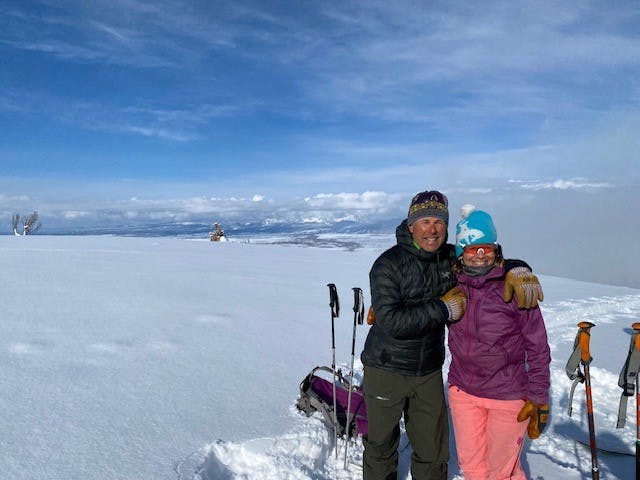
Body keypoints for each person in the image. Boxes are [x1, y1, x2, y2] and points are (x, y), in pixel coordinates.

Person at [361, 191, 543, 480]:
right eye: (424, 221)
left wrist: (517, 268)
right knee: (381, 444)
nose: (431, 229)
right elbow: (393, 322)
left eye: (438, 222)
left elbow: (481, 256)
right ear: (410, 226)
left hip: (429, 371)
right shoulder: (388, 264)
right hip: (386, 367)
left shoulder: (447, 258)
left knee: (433, 450)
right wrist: (443, 307)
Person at [447, 205, 551, 480]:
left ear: (496, 248)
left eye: (486, 247)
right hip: (464, 393)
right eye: (472, 249)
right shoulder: (450, 284)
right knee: (472, 470)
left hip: (507, 395)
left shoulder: (515, 286)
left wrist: (539, 396)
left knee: (500, 472)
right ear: (460, 253)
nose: (480, 255)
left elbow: (538, 346)